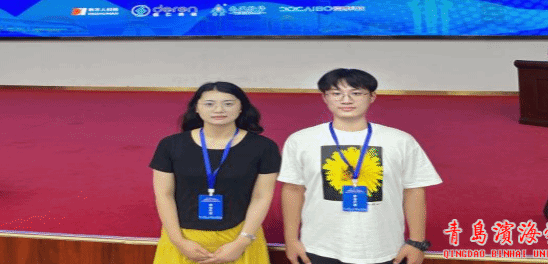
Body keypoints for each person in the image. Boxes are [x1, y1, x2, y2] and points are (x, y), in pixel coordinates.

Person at [279, 68, 442, 264]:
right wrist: (290, 240)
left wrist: (416, 242)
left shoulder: (400, 141)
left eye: (356, 93)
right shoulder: (301, 140)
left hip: (385, 249)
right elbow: (293, 190)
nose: (346, 100)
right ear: (325, 97)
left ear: (372, 97)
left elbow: (414, 191)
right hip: (318, 247)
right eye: (336, 93)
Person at [149, 81, 281, 264]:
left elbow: (262, 196)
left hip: (239, 240)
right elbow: (164, 195)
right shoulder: (170, 145)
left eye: (228, 103)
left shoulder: (264, 147)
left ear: (241, 107)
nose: (219, 109)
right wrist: (178, 241)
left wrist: (241, 242)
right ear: (197, 108)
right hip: (184, 240)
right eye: (209, 104)